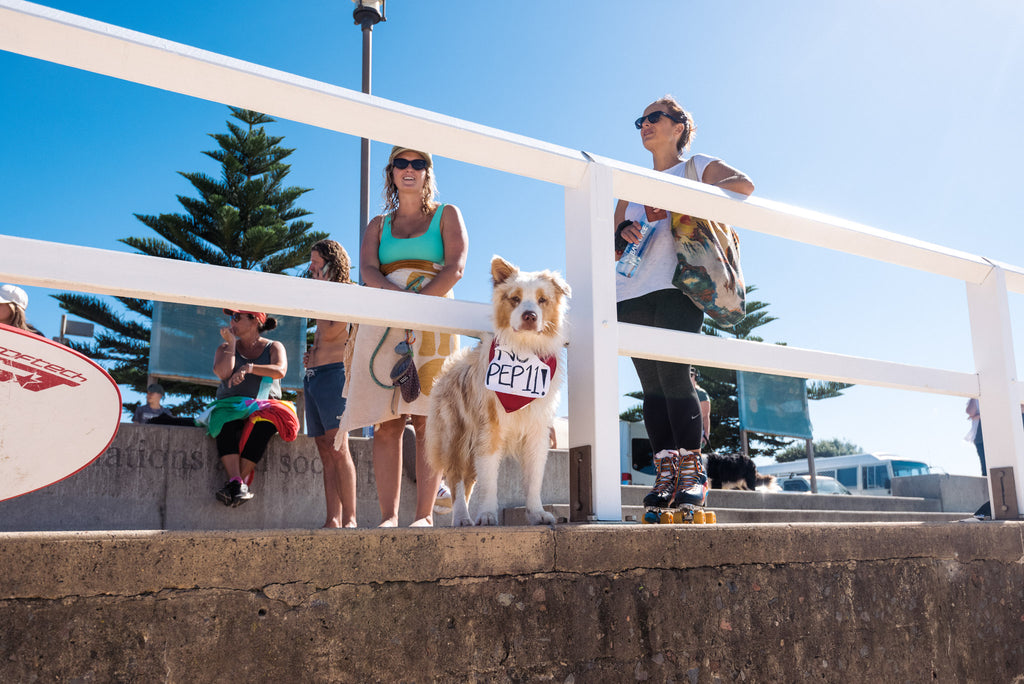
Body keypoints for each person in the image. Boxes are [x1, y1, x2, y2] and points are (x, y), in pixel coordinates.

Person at [615, 95, 754, 512]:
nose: (645, 124)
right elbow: (609, 240)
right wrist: (622, 229)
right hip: (631, 290)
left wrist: (686, 199)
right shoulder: (627, 184)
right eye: (641, 119)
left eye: (655, 117)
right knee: (651, 387)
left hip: (681, 284)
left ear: (679, 127)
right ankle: (666, 475)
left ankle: (694, 475)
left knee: (675, 377)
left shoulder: (696, 167)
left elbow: (743, 187)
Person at [337, 146, 468, 527]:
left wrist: (419, 307)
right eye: (401, 163)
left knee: (429, 416)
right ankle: (388, 518)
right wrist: (399, 304)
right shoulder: (378, 224)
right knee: (386, 420)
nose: (409, 169)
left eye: (418, 163)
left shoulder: (447, 215)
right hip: (385, 317)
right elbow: (368, 270)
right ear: (390, 171)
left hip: (433, 318)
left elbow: (456, 267)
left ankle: (424, 516)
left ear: (428, 172)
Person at [203, 309, 298, 507]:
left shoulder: (273, 346)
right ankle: (237, 483)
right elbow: (223, 373)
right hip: (231, 405)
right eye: (231, 318)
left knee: (267, 423)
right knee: (223, 421)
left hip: (264, 405)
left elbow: (280, 370)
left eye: (237, 317)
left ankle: (234, 484)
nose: (232, 322)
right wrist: (232, 344)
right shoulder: (225, 347)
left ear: (255, 321)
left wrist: (249, 368)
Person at [304, 239, 359, 528]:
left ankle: (350, 519)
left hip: (336, 374)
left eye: (316, 262)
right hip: (312, 377)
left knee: (339, 447)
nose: (311, 267)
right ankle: (332, 519)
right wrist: (310, 353)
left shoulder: (349, 292)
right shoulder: (316, 293)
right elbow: (322, 334)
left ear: (331, 262)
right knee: (325, 452)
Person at [691, 368, 712, 450]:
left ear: (696, 377)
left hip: (696, 434)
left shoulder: (701, 394)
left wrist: (706, 435)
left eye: (690, 375)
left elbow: (705, 417)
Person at [965, 398, 986, 476]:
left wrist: (979, 416)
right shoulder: (974, 399)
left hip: (996, 434)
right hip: (980, 438)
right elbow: (970, 412)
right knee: (985, 467)